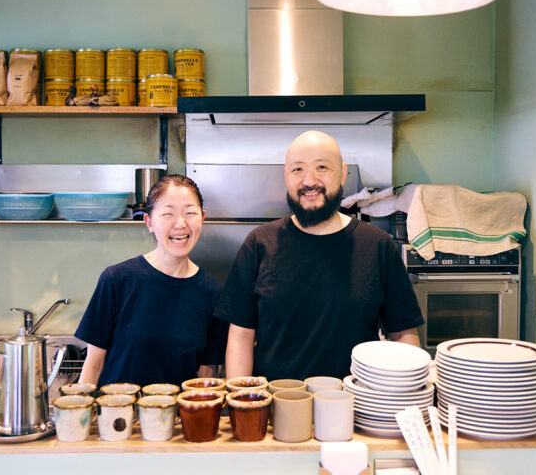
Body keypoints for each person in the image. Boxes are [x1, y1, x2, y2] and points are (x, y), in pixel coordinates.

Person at [214, 130, 424, 381]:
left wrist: (408, 399)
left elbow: (403, 335)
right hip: (275, 408)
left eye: (322, 167)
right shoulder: (259, 244)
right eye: (298, 169)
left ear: (343, 172)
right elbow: (240, 336)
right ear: (286, 175)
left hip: (357, 408)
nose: (309, 180)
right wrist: (243, 409)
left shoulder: (378, 246)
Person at [75, 175, 228, 387]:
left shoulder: (213, 293)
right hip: (119, 417)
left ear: (202, 218)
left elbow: (205, 375)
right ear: (149, 222)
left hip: (178, 419)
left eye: (190, 213)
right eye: (168, 213)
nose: (180, 224)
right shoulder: (117, 280)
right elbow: (93, 365)